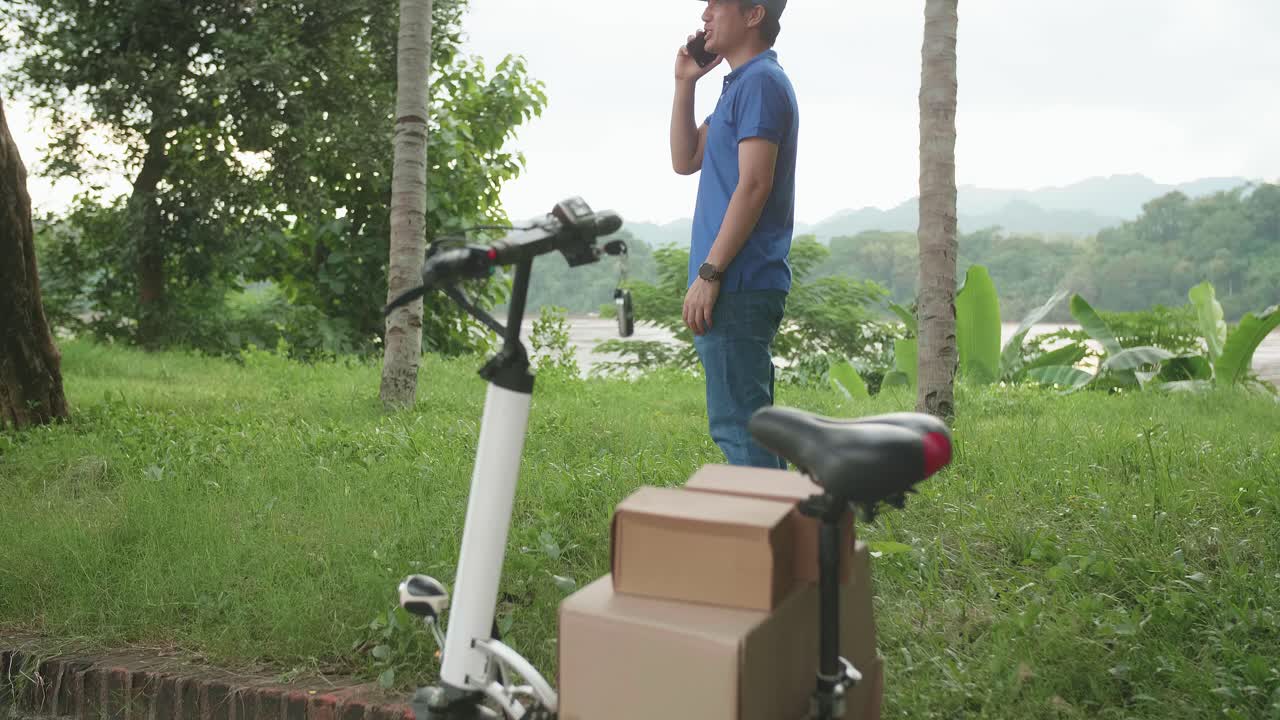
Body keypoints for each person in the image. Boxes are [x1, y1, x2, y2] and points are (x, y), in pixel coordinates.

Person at [670, 0, 798, 468]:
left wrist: (710, 272)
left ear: (753, 15)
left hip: (737, 281)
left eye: (716, 6)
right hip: (736, 281)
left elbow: (755, 184)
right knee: (752, 427)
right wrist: (685, 83)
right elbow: (685, 160)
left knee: (741, 430)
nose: (704, 16)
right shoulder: (741, 86)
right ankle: (785, 535)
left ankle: (769, 538)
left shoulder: (761, 83)